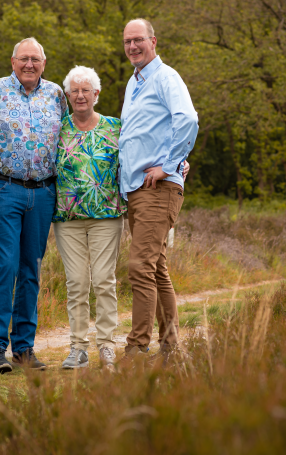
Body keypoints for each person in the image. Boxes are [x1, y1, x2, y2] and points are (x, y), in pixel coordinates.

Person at [0, 38, 69, 373]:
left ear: (44, 63)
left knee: (32, 269)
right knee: (6, 266)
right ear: (12, 61)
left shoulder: (56, 94)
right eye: (24, 59)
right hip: (5, 189)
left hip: (44, 193)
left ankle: (24, 349)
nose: (29, 64)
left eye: (36, 59)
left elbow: (70, 136)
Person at [118, 18, 199, 363]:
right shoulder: (133, 82)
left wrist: (170, 163)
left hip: (159, 186)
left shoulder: (167, 77)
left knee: (139, 265)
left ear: (153, 41)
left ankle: (137, 346)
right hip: (137, 189)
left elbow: (188, 119)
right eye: (127, 42)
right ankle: (170, 347)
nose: (133, 46)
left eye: (138, 40)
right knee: (156, 268)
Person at [53, 66, 124, 370]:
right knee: (77, 283)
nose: (80, 96)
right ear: (67, 95)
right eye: (74, 90)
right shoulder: (57, 129)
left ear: (96, 94)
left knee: (104, 281)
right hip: (67, 219)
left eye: (86, 90)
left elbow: (144, 155)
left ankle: (107, 344)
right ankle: (78, 348)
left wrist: (179, 163)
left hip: (106, 215)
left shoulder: (115, 128)